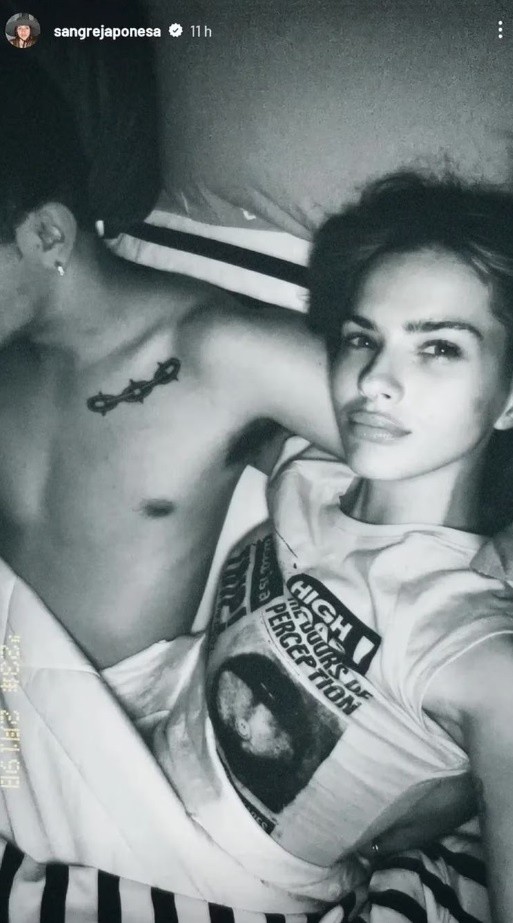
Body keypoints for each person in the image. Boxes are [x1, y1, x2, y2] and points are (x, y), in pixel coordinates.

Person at [100, 172, 513, 921]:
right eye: (362, 338)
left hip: (204, 887)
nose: (375, 379)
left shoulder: (471, 647)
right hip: (113, 767)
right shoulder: (307, 474)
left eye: (438, 347)